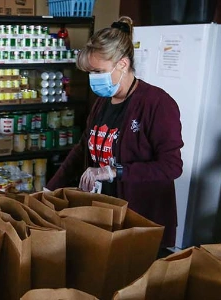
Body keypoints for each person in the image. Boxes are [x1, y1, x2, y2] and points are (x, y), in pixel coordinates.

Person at [46, 16, 184, 248]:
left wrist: (114, 171)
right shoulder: (103, 101)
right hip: (104, 213)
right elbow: (83, 148)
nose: (93, 79)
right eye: (90, 72)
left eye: (98, 71)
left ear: (122, 64)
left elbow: (172, 166)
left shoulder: (157, 103)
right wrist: (49, 188)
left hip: (141, 219)